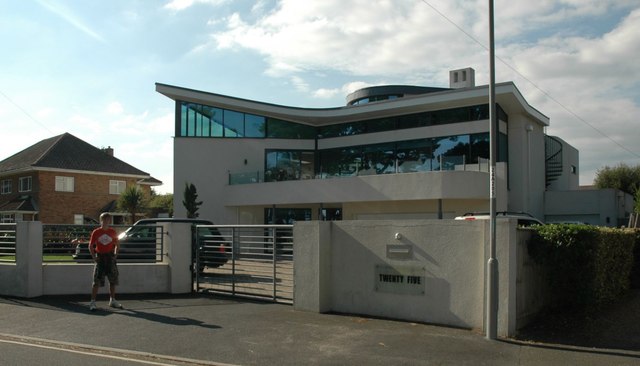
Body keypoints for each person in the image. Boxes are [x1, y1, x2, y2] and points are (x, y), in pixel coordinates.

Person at [88, 212, 122, 311]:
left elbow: (117, 244)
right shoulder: (96, 232)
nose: (106, 221)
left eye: (108, 220)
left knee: (113, 280)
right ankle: (93, 302)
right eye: (104, 220)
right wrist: (94, 257)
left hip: (110, 257)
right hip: (100, 258)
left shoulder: (113, 232)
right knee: (96, 281)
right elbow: (90, 245)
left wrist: (115, 255)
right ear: (101, 221)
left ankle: (112, 300)